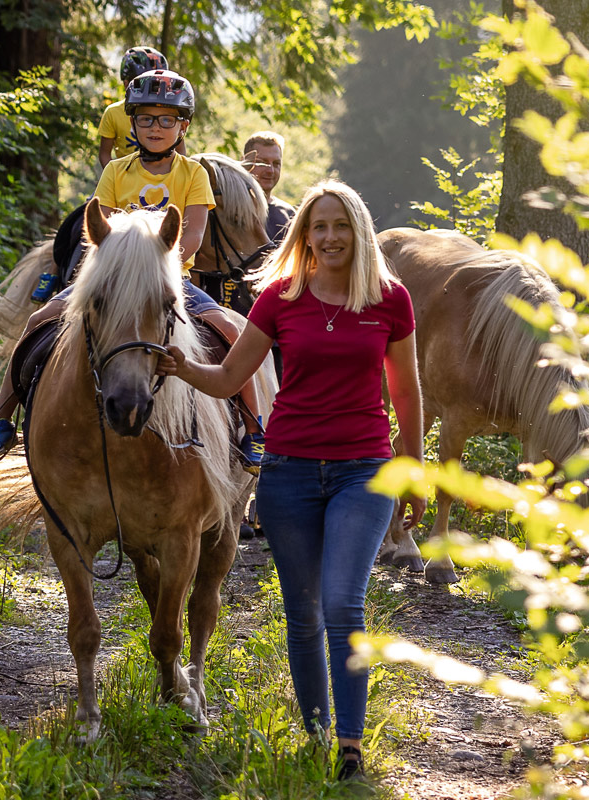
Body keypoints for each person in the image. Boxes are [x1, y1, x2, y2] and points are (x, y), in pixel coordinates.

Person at [157, 181, 427, 781]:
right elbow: (230, 378)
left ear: (358, 231)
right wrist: (180, 367)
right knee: (302, 614)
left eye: (340, 226)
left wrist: (415, 468)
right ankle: (315, 737)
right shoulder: (278, 298)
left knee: (342, 603)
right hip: (288, 473)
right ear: (304, 235)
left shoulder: (391, 299)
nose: (329, 237)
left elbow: (405, 392)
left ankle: (350, 749)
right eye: (318, 227)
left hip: (364, 471)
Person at [0, 69, 266, 469]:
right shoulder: (117, 172)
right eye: (146, 118)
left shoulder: (193, 174)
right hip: (113, 279)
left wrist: (155, 261)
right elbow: (102, 232)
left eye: (167, 119)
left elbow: (194, 236)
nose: (156, 128)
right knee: (39, 320)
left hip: (170, 279)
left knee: (232, 332)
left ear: (183, 126)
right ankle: (0, 417)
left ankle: (253, 429)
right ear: (132, 123)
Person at [95, 47, 187, 181]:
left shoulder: (170, 113)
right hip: (125, 176)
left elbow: (181, 150)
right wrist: (115, 178)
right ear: (127, 83)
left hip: (164, 177)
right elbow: (104, 153)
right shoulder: (113, 113)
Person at [243, 131, 298, 246]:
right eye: (262, 163)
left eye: (276, 163)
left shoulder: (289, 215)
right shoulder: (229, 211)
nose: (270, 170)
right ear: (244, 163)